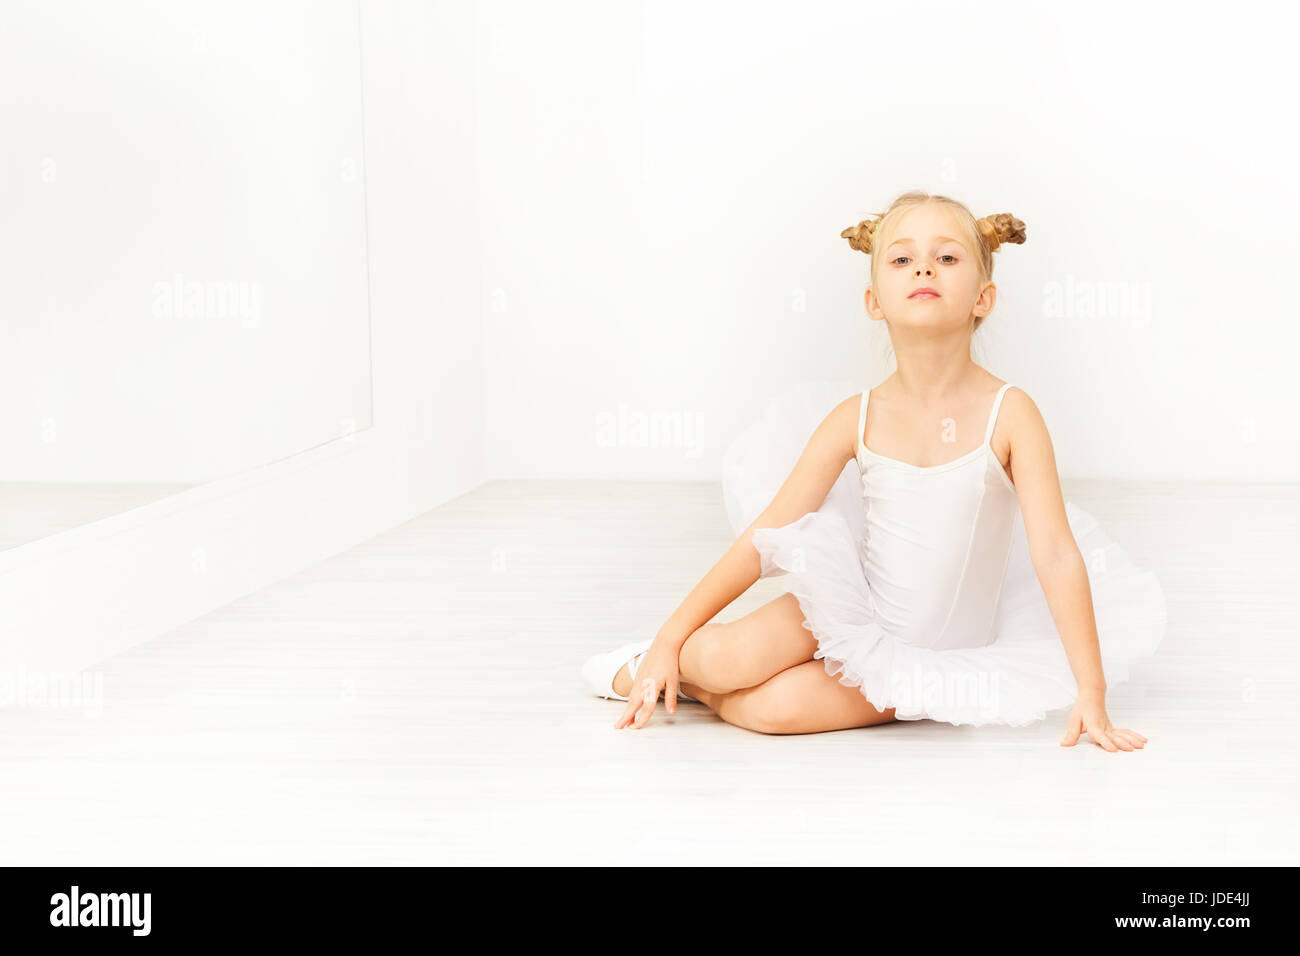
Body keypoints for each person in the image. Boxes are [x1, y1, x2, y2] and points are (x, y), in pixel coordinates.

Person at [581, 190, 1165, 751]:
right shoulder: (855, 418)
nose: (924, 270)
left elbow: (1057, 554)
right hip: (855, 605)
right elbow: (765, 537)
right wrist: (670, 634)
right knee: (729, 659)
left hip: (928, 654)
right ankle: (656, 661)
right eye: (904, 258)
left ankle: (684, 685)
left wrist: (1092, 689)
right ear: (874, 301)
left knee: (773, 711)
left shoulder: (1011, 415)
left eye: (947, 257)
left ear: (983, 297)